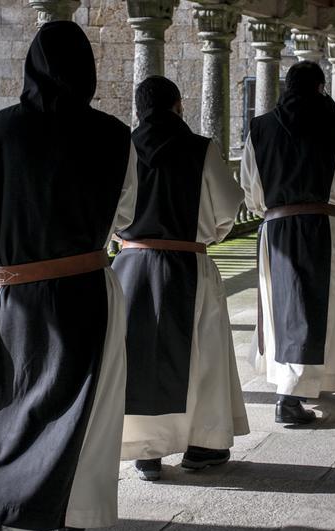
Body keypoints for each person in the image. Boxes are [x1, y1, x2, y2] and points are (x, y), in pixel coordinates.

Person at [0, 21, 136, 531]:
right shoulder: (114, 135)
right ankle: (71, 528)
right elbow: (127, 213)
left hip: (18, 291)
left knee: (11, 401)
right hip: (87, 287)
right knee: (86, 414)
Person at [113, 76, 249, 482]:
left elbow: (108, 207)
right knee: (202, 358)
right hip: (187, 265)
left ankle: (145, 453)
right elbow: (229, 205)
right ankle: (201, 446)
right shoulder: (201, 147)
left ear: (139, 109)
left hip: (131, 265)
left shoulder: (122, 146)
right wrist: (206, 235)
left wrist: (126, 236)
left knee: (136, 357)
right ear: (178, 106)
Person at [239, 61, 335, 425]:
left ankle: (296, 384)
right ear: (321, 87)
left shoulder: (259, 128)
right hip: (324, 227)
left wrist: (269, 212)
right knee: (314, 308)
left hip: (277, 228)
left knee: (286, 309)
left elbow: (250, 187)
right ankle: (290, 397)